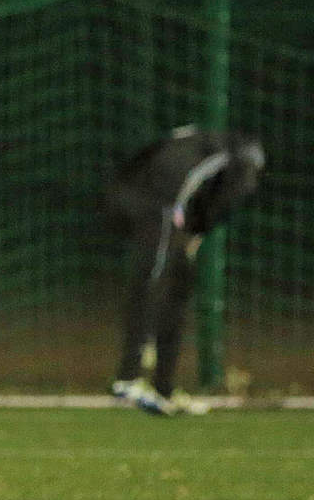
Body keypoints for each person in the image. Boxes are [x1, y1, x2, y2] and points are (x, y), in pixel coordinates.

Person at [108, 125, 264, 416]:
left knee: (177, 286)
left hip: (143, 199)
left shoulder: (198, 137)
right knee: (150, 284)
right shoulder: (238, 160)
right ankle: (127, 379)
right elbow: (226, 198)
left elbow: (149, 155)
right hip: (158, 207)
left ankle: (162, 388)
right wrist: (194, 232)